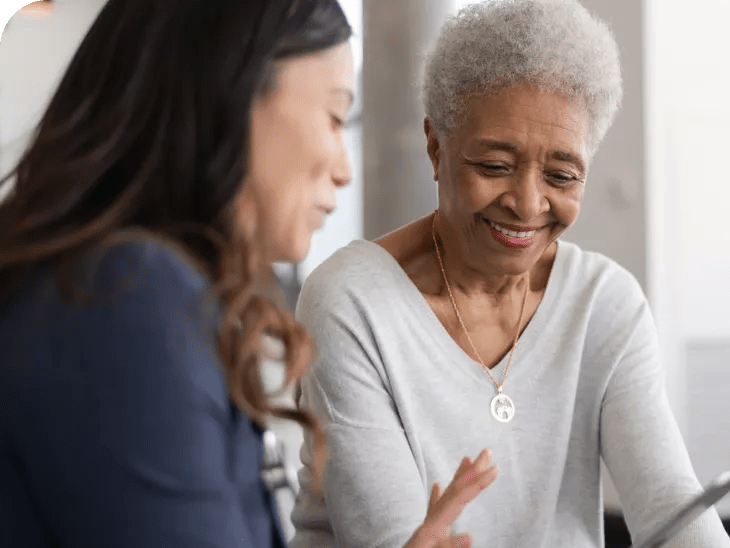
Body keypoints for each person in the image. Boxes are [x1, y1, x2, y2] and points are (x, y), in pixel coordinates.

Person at [0, 1, 497, 547]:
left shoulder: (116, 287)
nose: (343, 167)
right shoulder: (127, 297)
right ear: (232, 95)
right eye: (334, 116)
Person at [290, 1, 730, 547]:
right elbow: (396, 538)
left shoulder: (604, 303)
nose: (528, 204)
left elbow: (670, 507)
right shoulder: (353, 301)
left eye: (561, 175)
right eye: (494, 166)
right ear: (436, 147)